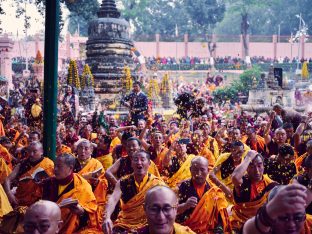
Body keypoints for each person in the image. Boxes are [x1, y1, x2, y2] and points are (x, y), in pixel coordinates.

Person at [102, 150, 165, 233]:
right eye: (135, 159)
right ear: (131, 164)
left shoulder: (157, 184)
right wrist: (107, 218)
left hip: (148, 224)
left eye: (142, 159)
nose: (139, 163)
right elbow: (113, 199)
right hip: (125, 223)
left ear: (149, 164)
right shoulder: (123, 182)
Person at [41, 153, 99, 234]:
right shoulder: (48, 183)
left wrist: (81, 212)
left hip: (74, 229)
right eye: (55, 166)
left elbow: (92, 214)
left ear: (70, 168)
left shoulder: (82, 185)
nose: (55, 169)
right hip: (48, 226)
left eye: (59, 167)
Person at [177, 156, 231, 233]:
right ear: (190, 170)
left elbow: (221, 216)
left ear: (208, 170)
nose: (199, 174)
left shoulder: (214, 190)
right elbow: (173, 210)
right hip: (187, 229)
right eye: (195, 170)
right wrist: (185, 205)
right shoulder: (183, 186)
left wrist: (219, 229)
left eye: (202, 170)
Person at [230, 150, 278, 231]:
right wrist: (248, 157)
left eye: (259, 166)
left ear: (263, 166)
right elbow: (235, 177)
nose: (257, 171)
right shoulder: (243, 182)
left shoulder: (271, 185)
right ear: (246, 168)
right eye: (252, 166)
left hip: (262, 226)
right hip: (240, 225)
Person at [243, 184, 312, 234]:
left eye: (297, 218)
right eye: (284, 218)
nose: (291, 225)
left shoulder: (309, 223)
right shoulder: (262, 227)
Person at [4, 142, 54, 207]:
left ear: (42, 152)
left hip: (41, 203)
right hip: (21, 201)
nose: (31, 154)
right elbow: (7, 180)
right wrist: (9, 193)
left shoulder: (48, 164)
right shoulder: (22, 164)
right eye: (29, 151)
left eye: (34, 151)